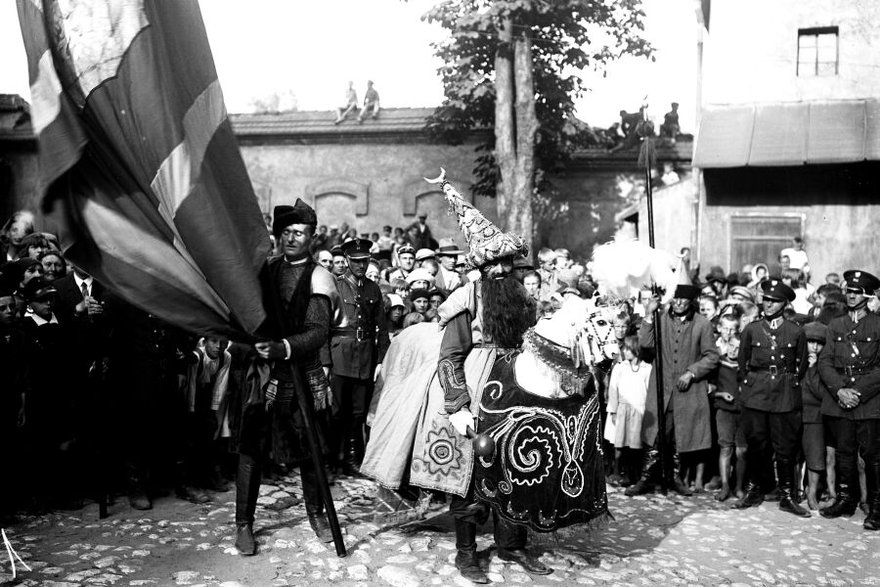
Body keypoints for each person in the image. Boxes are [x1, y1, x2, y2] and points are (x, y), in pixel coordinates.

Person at [233, 199, 338, 554]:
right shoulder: (266, 271)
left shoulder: (320, 276)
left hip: (303, 372)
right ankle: (243, 524)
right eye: (287, 232)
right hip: (265, 375)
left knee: (313, 450)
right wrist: (257, 346)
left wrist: (283, 347)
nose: (292, 238)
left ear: (312, 238)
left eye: (301, 233)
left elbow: (318, 331)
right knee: (251, 449)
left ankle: (317, 514)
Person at [626, 284, 719, 497]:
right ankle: (647, 478)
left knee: (680, 436)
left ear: (691, 301)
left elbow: (712, 356)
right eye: (674, 299)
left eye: (683, 300)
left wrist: (692, 372)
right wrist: (649, 314)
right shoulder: (660, 320)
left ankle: (674, 477)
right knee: (657, 435)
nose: (677, 303)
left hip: (687, 392)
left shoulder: (702, 325)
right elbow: (645, 345)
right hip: (662, 389)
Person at [733, 279, 809, 517]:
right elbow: (743, 363)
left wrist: (784, 383)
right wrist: (753, 383)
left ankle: (787, 495)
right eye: (766, 299)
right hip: (756, 393)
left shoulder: (795, 331)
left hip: (784, 394)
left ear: (784, 304)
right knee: (756, 444)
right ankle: (756, 488)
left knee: (785, 446)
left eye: (774, 301)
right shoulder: (752, 329)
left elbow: (802, 364)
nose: (768, 304)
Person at [818, 270, 880, 530]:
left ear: (868, 296)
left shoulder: (877, 325)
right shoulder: (836, 324)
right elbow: (825, 361)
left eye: (857, 292)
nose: (852, 296)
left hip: (868, 400)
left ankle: (876, 506)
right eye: (849, 292)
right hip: (840, 397)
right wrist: (840, 390)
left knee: (872, 455)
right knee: (844, 451)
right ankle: (846, 499)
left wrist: (858, 392)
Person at [328, 238, 390, 476]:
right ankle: (331, 460)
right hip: (340, 354)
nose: (361, 266)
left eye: (364, 261)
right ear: (347, 261)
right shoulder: (337, 285)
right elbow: (325, 327)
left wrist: (380, 360)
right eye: (356, 262)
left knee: (358, 412)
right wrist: (325, 361)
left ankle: (353, 460)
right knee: (336, 411)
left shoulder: (373, 289)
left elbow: (382, 329)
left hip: (365, 355)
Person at [605, 335, 651, 486]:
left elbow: (649, 391)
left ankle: (635, 475)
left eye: (628, 348)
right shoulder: (620, 368)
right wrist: (613, 410)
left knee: (635, 444)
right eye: (624, 348)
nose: (625, 351)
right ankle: (620, 472)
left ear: (636, 349)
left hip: (639, 410)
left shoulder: (646, 369)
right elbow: (613, 390)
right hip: (622, 409)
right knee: (621, 443)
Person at [713, 316, 746, 502]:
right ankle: (725, 486)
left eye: (738, 348)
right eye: (731, 346)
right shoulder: (719, 363)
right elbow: (710, 390)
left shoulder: (746, 368)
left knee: (742, 452)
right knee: (726, 448)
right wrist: (721, 395)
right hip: (724, 411)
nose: (733, 351)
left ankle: (739, 486)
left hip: (742, 413)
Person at [801, 321, 829, 511]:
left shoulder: (825, 366)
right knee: (790, 454)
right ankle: (792, 490)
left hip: (814, 415)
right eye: (810, 342)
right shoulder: (796, 359)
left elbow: (821, 393)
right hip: (793, 411)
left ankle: (812, 493)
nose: (814, 347)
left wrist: (812, 369)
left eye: (819, 343)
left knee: (815, 456)